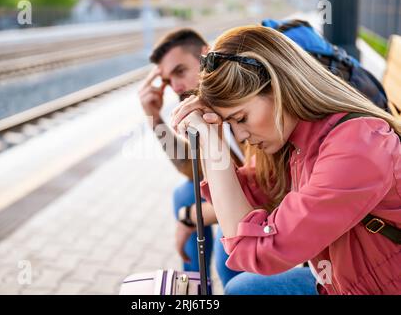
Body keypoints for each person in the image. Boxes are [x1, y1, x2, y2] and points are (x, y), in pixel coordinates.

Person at [171, 25, 401, 294]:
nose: (242, 135)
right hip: (346, 280)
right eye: (231, 124)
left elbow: (260, 251)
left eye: (241, 118)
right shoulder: (297, 140)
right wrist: (214, 138)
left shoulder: (357, 146)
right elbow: (248, 194)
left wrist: (214, 150)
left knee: (243, 286)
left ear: (280, 88)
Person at [138, 28, 245, 281]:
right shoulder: (204, 104)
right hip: (248, 189)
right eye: (167, 80)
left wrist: (189, 218)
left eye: (180, 71)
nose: (175, 87)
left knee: (226, 252)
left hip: (271, 198)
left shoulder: (239, 96)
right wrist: (154, 118)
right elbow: (190, 168)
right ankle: (195, 288)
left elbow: (268, 188)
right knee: (184, 193)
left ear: (207, 55)